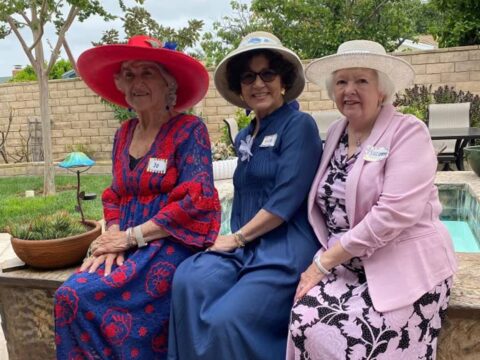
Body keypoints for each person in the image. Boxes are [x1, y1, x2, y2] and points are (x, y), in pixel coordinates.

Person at [288, 40, 457, 359]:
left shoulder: (408, 132)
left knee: (361, 337)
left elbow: (393, 214)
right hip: (349, 266)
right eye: (341, 81)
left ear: (382, 90)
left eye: (361, 80)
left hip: (403, 264)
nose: (349, 89)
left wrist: (323, 263)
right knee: (303, 319)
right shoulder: (337, 132)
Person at [54, 35, 221, 359]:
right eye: (128, 75)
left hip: (168, 242)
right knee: (68, 295)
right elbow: (114, 194)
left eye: (147, 73)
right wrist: (113, 233)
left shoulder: (189, 130)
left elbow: (195, 202)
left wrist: (131, 238)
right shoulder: (124, 133)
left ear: (168, 83)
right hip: (124, 242)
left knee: (84, 296)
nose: (136, 83)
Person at [168, 32, 322, 359]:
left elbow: (283, 203)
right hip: (244, 246)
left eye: (268, 73)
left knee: (228, 320)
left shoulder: (299, 126)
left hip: (283, 248)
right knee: (187, 280)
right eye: (248, 76)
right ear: (240, 88)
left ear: (283, 81)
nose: (258, 83)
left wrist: (235, 238)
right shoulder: (243, 135)